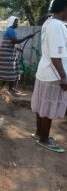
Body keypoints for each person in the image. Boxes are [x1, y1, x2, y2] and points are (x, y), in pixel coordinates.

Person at [31, 0, 67, 153]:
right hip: (54, 74)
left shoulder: (48, 22)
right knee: (49, 106)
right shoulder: (58, 25)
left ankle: (40, 133)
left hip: (44, 71)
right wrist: (64, 77)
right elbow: (56, 56)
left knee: (42, 105)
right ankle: (44, 139)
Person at [0, 16, 35, 93]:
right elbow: (15, 41)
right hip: (6, 56)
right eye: (16, 22)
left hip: (6, 55)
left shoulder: (10, 30)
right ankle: (9, 89)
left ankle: (2, 88)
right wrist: (28, 36)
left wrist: (17, 49)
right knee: (11, 72)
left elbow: (11, 43)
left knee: (7, 72)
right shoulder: (10, 31)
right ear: (12, 23)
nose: (18, 23)